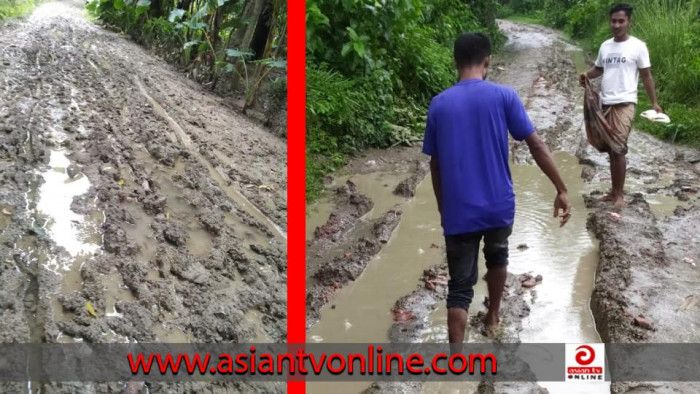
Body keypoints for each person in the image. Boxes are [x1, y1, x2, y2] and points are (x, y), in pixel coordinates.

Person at [422, 32, 571, 343]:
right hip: (498, 206)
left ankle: (455, 362)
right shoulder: (505, 97)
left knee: (460, 288)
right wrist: (561, 187)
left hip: (459, 211)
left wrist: (442, 206)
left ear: (455, 62)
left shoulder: (439, 105)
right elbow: (536, 144)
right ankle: (493, 317)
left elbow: (435, 165)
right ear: (487, 61)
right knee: (498, 257)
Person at [579, 2, 662, 207]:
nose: (616, 25)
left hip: (625, 103)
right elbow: (599, 69)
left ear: (628, 22)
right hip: (606, 103)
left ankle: (619, 196)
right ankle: (613, 191)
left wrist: (654, 103)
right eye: (614, 21)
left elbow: (646, 76)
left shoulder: (638, 46)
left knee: (618, 148)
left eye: (621, 21)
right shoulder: (606, 46)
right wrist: (586, 75)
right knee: (610, 148)